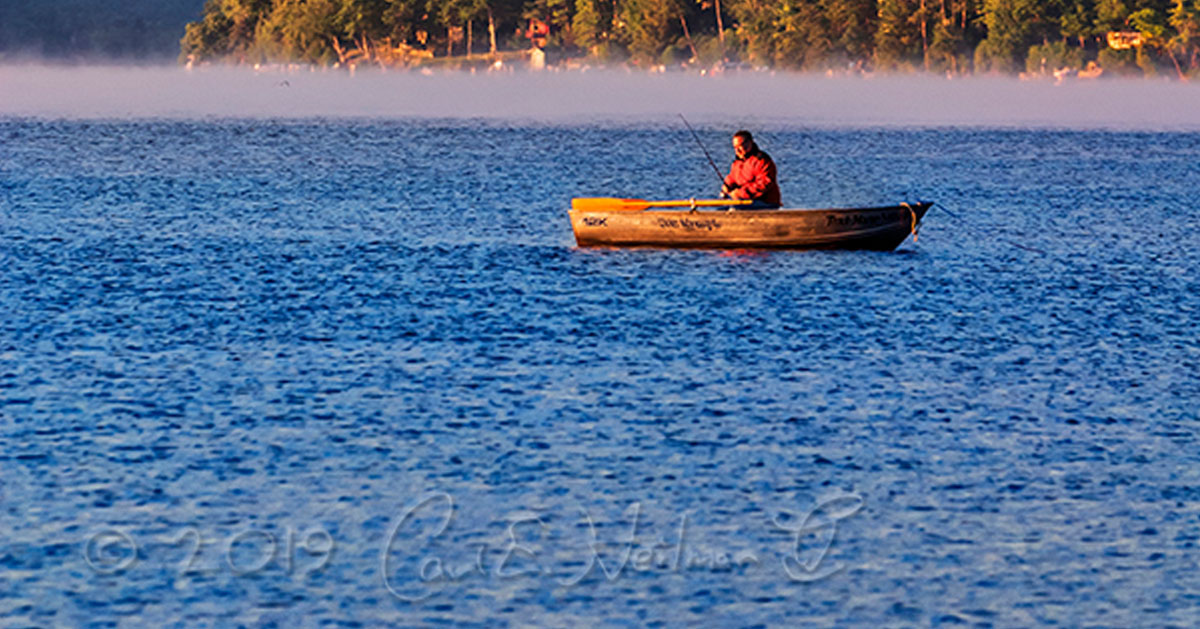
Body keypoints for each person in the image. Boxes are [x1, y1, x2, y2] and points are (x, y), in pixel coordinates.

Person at [720, 130, 781, 209]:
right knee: (721, 210)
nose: (738, 150)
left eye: (740, 146)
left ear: (749, 144)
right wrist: (726, 187)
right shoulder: (737, 163)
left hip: (765, 202)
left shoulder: (762, 160)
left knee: (734, 210)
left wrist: (740, 193)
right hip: (744, 201)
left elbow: (765, 183)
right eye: (735, 147)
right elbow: (732, 178)